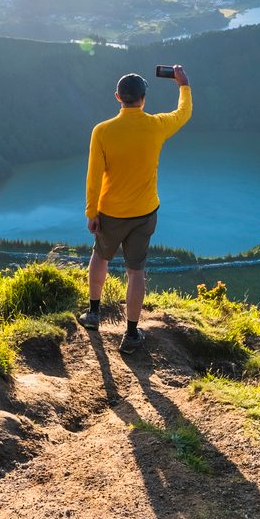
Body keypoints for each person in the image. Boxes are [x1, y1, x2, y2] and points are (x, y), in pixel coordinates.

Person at [80, 64, 191, 354]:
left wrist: (91, 212)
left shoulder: (102, 131)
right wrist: (183, 85)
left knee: (100, 257)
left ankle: (93, 314)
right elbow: (183, 114)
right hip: (144, 214)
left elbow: (94, 177)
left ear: (118, 97)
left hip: (110, 212)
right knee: (136, 272)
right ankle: (130, 334)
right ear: (143, 98)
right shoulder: (156, 125)